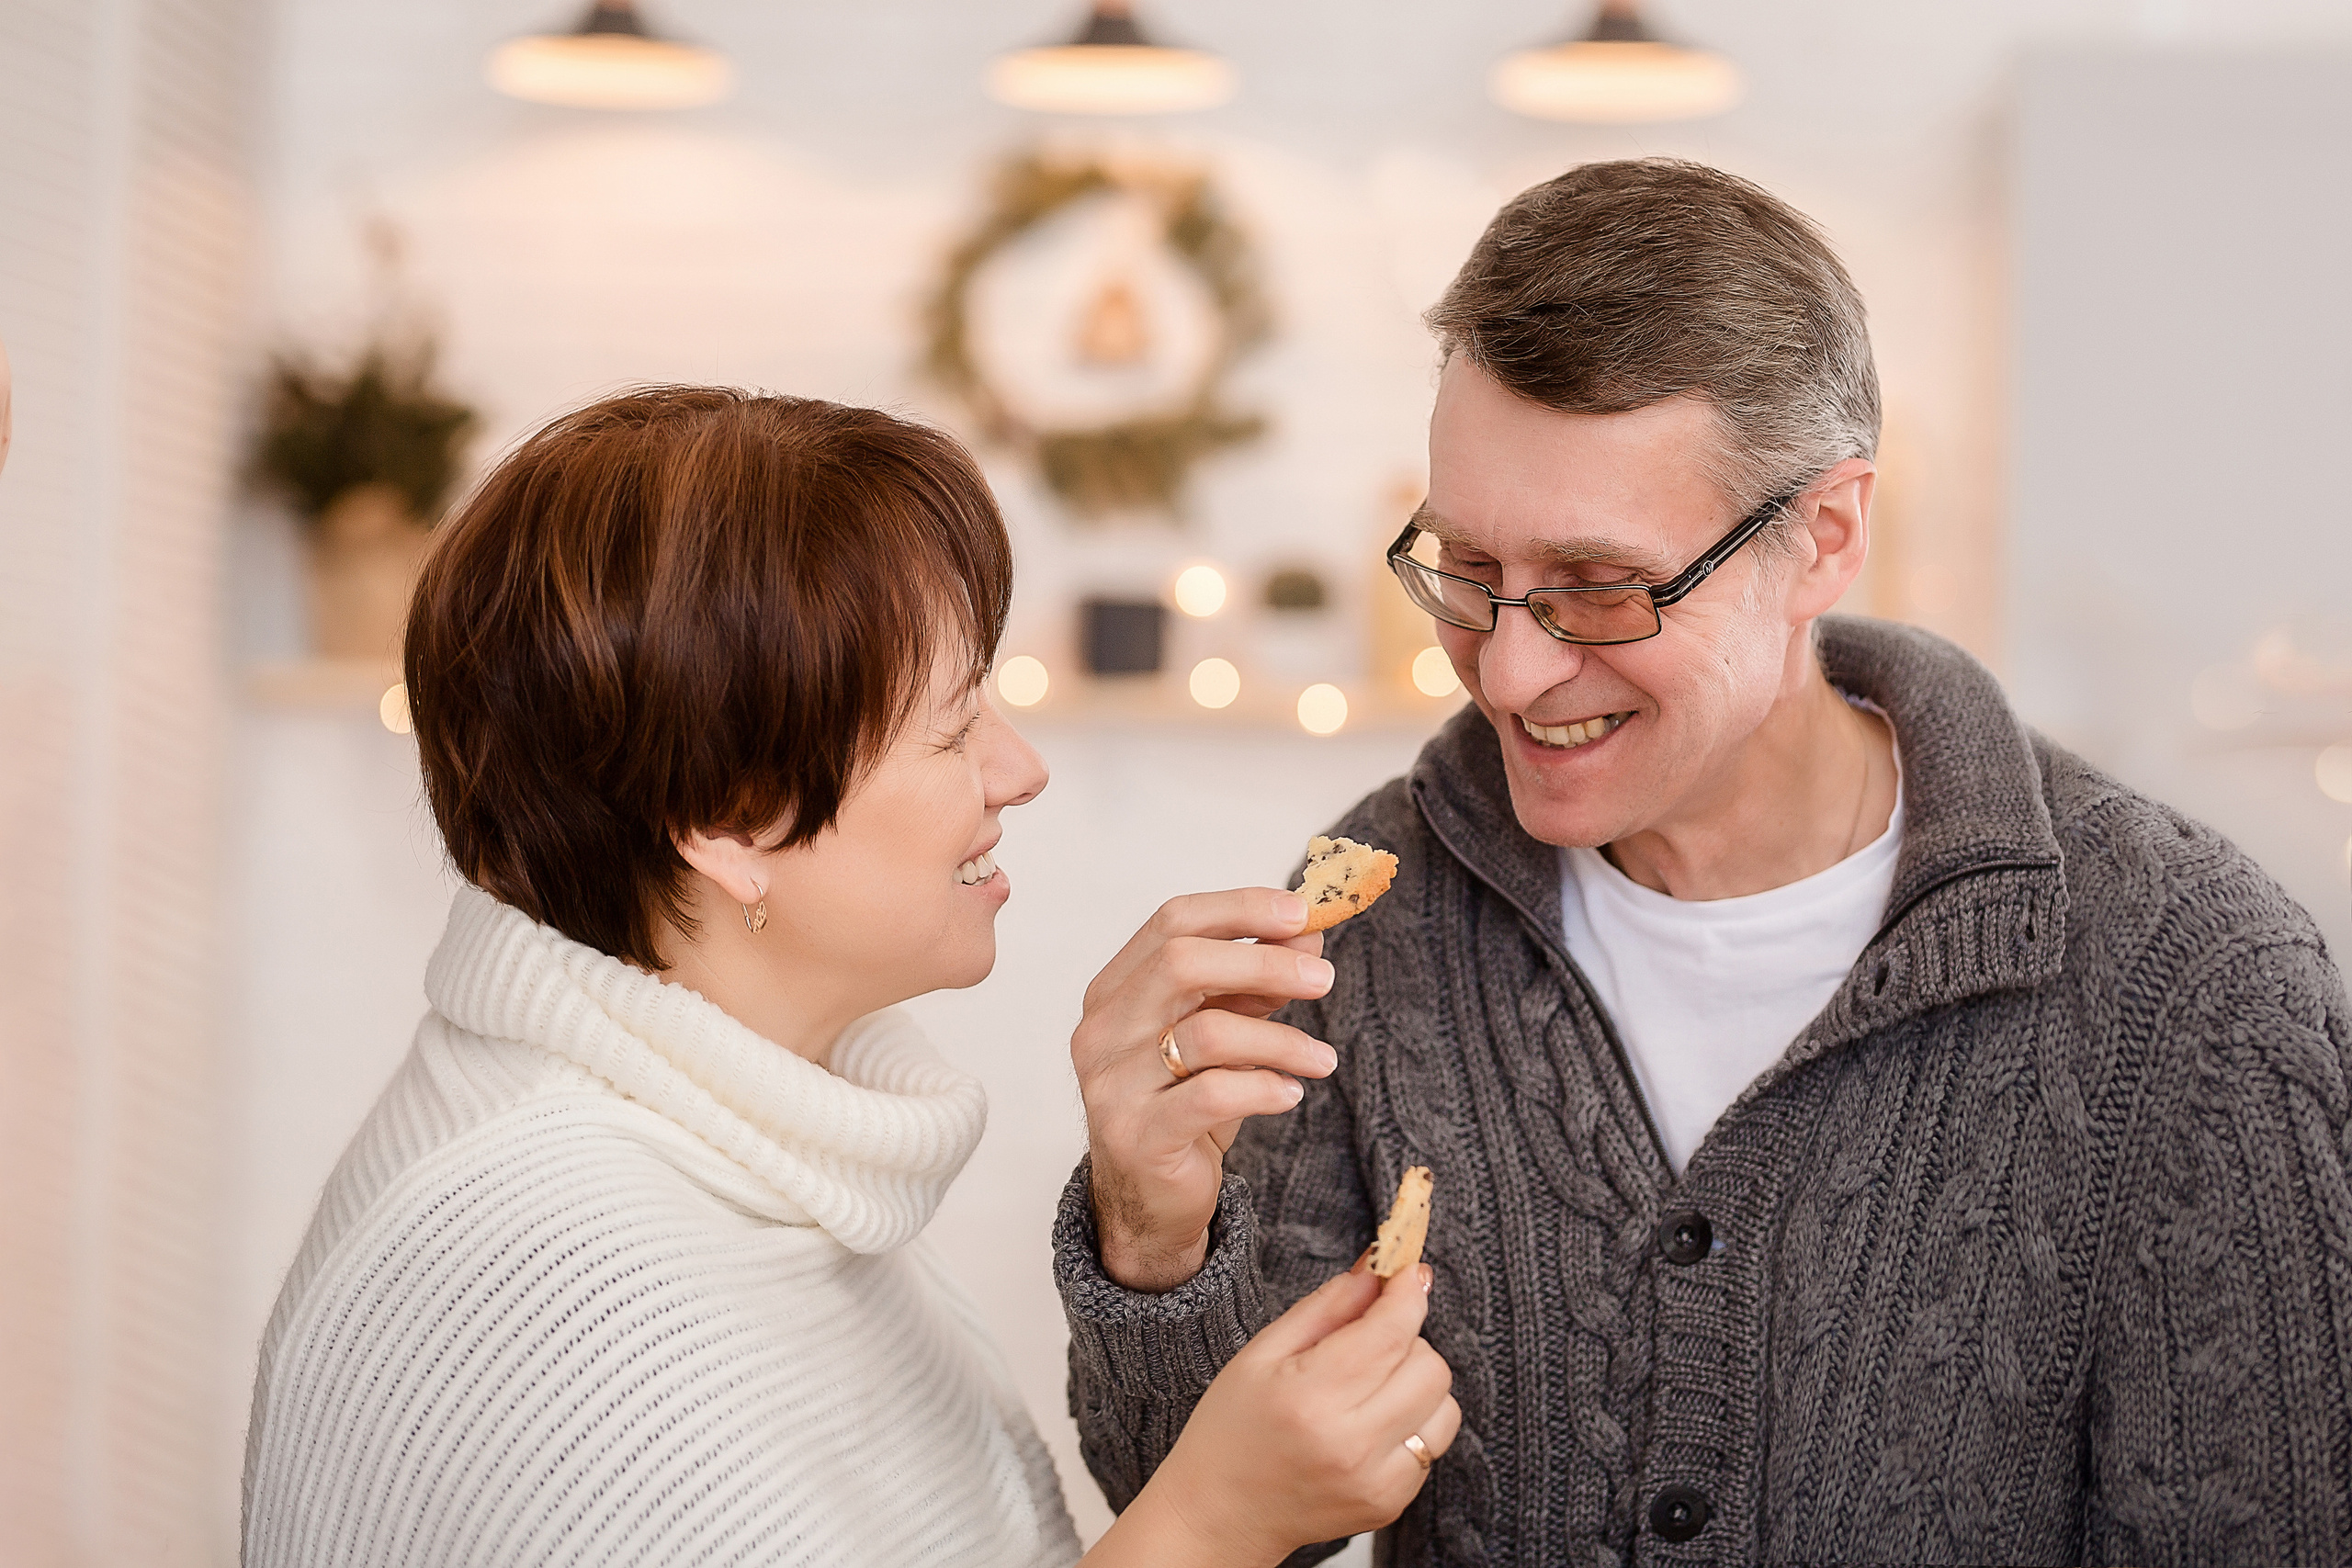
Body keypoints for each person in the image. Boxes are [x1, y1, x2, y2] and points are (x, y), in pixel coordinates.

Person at [1056, 158, 2352, 1565]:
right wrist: (1154, 1234)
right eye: (1467, 567)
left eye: (1602, 588)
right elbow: (1222, 1513)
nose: (1509, 667)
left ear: (1825, 538)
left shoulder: (2204, 995)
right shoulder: (1386, 899)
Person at [241, 388, 1460, 1567]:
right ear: (727, 819)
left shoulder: (742, 1142)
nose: (1020, 768)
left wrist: (1154, 1229)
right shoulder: (542, 1272)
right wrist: (1213, 1523)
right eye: (950, 727)